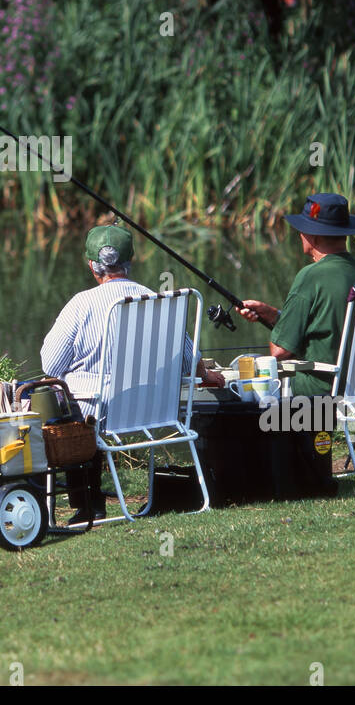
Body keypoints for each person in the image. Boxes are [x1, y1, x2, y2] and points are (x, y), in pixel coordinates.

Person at [41, 222, 222, 523]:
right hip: (153, 408)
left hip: (99, 412)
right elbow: (190, 360)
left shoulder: (80, 304)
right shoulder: (158, 300)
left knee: (56, 403)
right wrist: (206, 373)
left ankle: (88, 504)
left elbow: (51, 365)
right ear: (131, 261)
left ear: (91, 265)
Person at [237, 192, 355, 398]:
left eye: (301, 230)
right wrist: (272, 315)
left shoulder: (310, 276)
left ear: (313, 235)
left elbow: (279, 352)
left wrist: (278, 335)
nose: (299, 235)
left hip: (320, 389)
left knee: (247, 377)